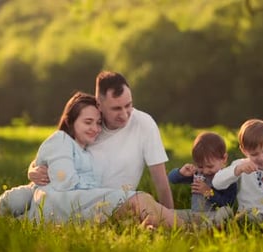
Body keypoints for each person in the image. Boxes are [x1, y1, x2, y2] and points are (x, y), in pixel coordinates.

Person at [0, 92, 183, 227]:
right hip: (62, 205)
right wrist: (34, 170)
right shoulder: (61, 139)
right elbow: (65, 182)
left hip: (76, 205)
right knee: (140, 201)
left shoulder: (85, 150)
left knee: (143, 205)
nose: (95, 128)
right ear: (71, 121)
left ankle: (196, 222)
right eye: (88, 122)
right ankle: (195, 226)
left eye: (98, 123)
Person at [28, 71, 174, 209]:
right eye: (116, 108)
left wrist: (169, 214)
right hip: (82, 203)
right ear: (99, 104)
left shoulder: (144, 124)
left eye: (128, 105)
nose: (124, 115)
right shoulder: (88, 125)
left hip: (118, 203)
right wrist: (33, 169)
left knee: (149, 207)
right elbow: (57, 151)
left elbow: (161, 181)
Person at [168, 132, 237, 213]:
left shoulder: (228, 178)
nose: (205, 171)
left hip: (214, 216)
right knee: (170, 213)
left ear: (224, 159)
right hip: (195, 214)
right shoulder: (198, 174)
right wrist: (181, 172)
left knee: (226, 211)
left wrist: (208, 192)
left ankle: (205, 225)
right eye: (200, 166)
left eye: (210, 166)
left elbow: (227, 203)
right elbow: (171, 179)